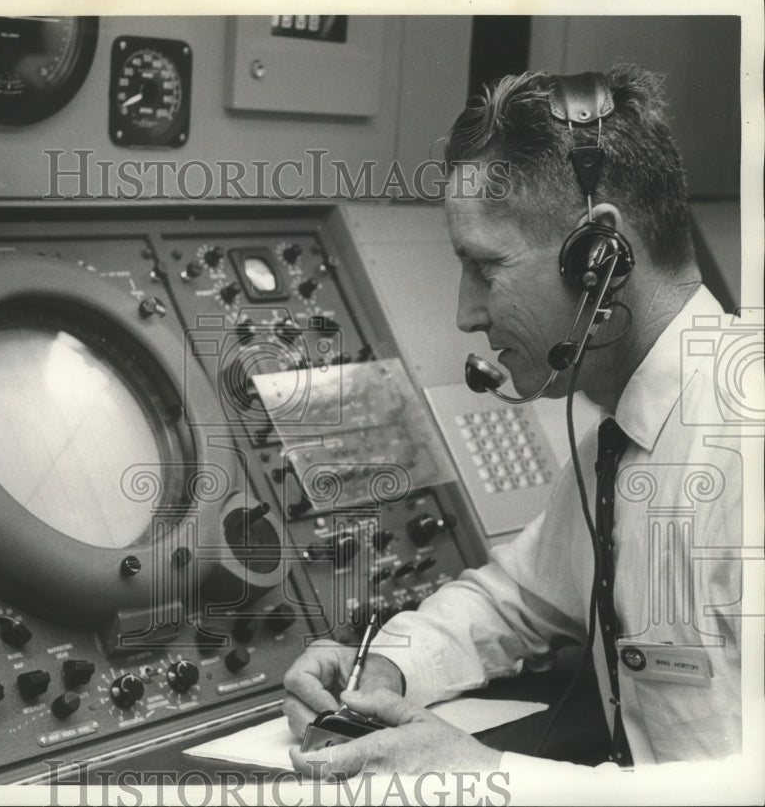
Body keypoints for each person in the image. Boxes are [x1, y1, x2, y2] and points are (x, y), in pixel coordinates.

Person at [282, 64, 747, 779]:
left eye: (486, 267)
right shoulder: (617, 448)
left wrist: (484, 776)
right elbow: (519, 598)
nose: (466, 313)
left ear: (600, 255)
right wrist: (386, 667)